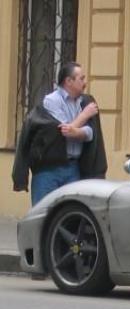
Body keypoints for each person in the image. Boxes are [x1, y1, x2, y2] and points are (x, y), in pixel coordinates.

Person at [12, 61, 107, 205]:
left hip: (73, 168)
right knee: (44, 215)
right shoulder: (52, 101)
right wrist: (84, 116)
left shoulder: (83, 101)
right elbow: (64, 130)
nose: (85, 82)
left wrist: (77, 131)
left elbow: (89, 133)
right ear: (68, 81)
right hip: (49, 170)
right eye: (81, 78)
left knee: (70, 215)